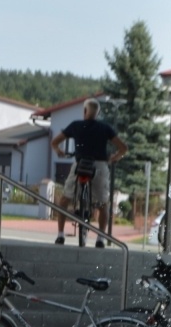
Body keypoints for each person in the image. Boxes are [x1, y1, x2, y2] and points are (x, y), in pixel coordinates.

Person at [51, 99, 127, 248]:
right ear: (97, 113)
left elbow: (54, 142)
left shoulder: (75, 125)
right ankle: (100, 238)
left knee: (65, 200)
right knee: (103, 204)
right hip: (99, 166)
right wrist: (114, 158)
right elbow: (123, 148)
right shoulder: (105, 128)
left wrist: (59, 151)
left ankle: (60, 235)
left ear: (85, 111)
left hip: (79, 165)